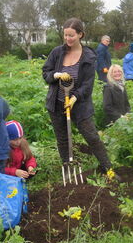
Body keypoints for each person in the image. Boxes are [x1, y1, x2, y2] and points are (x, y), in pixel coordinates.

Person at [42, 18, 114, 176]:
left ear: (80, 34)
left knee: (92, 137)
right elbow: (46, 73)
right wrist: (57, 74)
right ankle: (68, 170)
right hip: (57, 103)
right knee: (62, 139)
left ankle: (108, 169)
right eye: (65, 35)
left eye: (71, 35)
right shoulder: (57, 53)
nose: (67, 39)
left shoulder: (88, 56)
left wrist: (74, 98)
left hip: (79, 104)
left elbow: (88, 84)